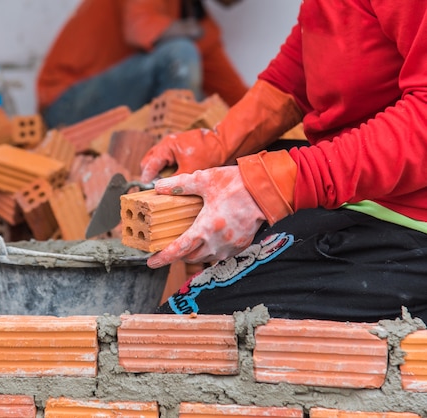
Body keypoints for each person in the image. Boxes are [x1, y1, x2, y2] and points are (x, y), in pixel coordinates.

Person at [139, 0, 427, 322]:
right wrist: (221, 144)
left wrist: (273, 185)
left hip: (409, 223)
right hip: (358, 198)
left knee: (174, 332)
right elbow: (300, 69)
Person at [37, 0, 248, 128]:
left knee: (209, 108)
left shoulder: (191, 18)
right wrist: (195, 33)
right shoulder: (189, 30)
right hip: (66, 105)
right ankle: (169, 162)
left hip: (103, 104)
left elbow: (237, 98)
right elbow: (140, 27)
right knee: (180, 54)